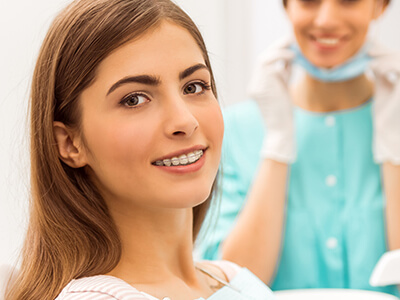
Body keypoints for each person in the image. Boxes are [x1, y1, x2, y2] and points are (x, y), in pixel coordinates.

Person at [4, 0, 277, 299]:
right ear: (69, 142)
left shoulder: (232, 279)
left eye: (194, 87)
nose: (185, 121)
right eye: (134, 99)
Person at [198, 0, 400, 296]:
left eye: (348, 1)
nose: (326, 20)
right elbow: (230, 290)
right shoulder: (232, 132)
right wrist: (277, 146)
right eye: (308, 1)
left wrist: (393, 152)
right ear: (287, 6)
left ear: (380, 7)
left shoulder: (394, 127)